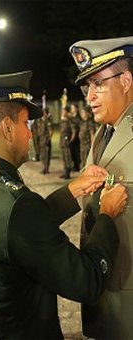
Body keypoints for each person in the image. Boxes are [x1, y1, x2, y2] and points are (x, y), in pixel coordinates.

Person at [0, 70, 127, 339]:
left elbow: (17, 234)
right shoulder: (17, 205)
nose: (29, 135)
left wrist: (71, 190)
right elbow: (86, 281)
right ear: (7, 128)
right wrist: (106, 216)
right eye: (25, 124)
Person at [69, 35, 133, 339]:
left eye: (99, 84)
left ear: (126, 81)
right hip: (105, 291)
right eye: (87, 87)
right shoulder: (103, 133)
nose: (89, 96)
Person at [78, 105, 96, 169]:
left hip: (87, 145)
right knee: (82, 159)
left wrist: (92, 145)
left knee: (87, 161)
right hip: (82, 145)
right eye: (81, 112)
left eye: (83, 112)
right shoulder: (82, 122)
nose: (81, 114)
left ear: (88, 113)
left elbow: (92, 134)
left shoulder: (90, 123)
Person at [59, 105, 74, 179]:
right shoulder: (62, 120)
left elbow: (74, 131)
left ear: (67, 112)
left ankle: (68, 173)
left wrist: (70, 140)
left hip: (66, 141)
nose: (62, 112)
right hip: (62, 141)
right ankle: (65, 172)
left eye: (63, 111)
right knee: (64, 157)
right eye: (61, 111)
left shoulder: (69, 121)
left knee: (67, 157)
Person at [38, 107, 53, 174]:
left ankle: (46, 169)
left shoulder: (48, 121)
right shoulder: (40, 121)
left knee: (46, 155)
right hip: (41, 140)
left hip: (46, 140)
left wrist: (48, 139)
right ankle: (44, 167)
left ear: (46, 113)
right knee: (43, 155)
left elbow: (51, 131)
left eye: (44, 113)